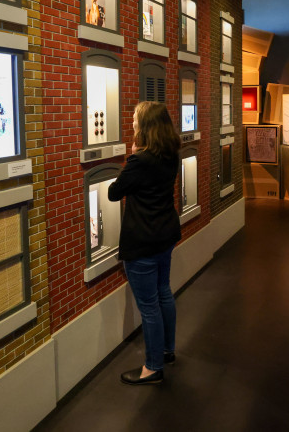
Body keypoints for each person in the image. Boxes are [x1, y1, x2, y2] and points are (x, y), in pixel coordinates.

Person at [108, 101, 182, 385]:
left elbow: (114, 192)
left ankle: (152, 368)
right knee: (164, 292)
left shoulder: (140, 160)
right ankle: (167, 351)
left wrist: (131, 156)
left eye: (135, 120)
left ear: (146, 126)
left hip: (142, 241)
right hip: (165, 235)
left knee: (149, 306)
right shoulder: (170, 154)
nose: (132, 123)